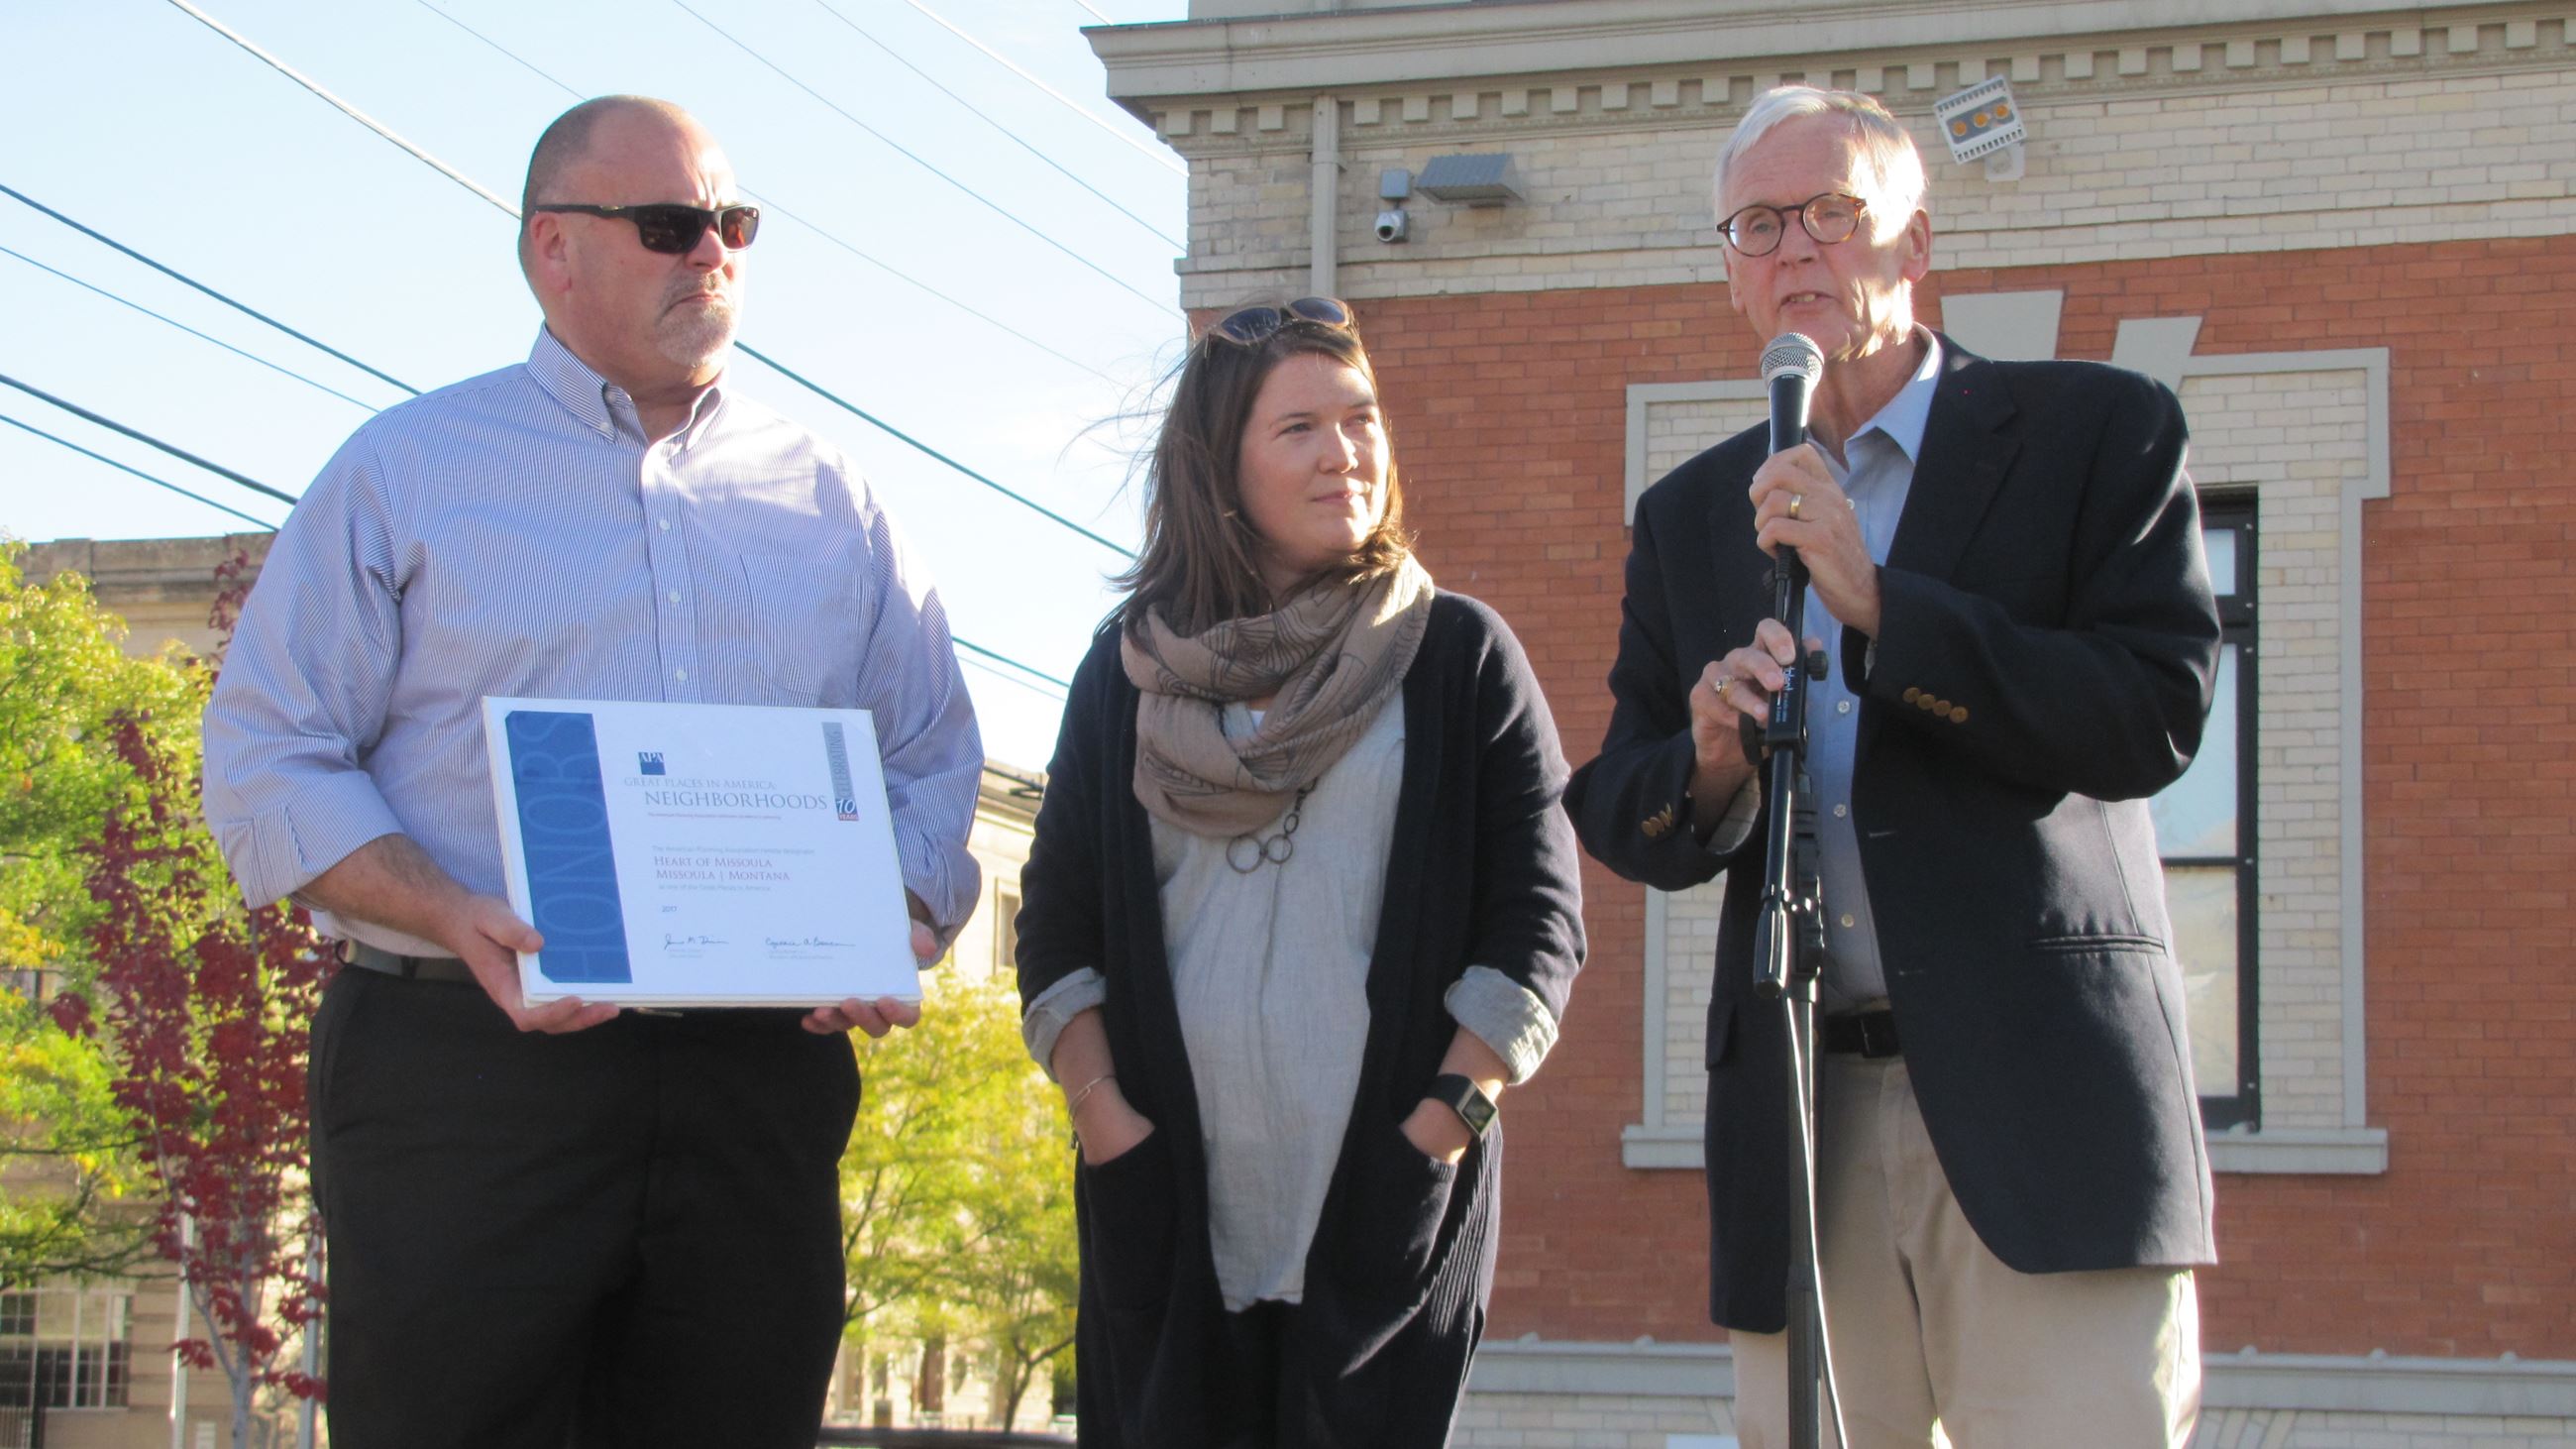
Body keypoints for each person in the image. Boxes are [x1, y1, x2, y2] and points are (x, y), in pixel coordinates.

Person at [200, 95, 981, 1448]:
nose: (715, 258)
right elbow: (270, 750)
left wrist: (897, 912)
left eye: (735, 225)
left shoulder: (834, 492)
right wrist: (455, 912)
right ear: (554, 250)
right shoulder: (406, 471)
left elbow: (926, 752)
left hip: (758, 1084)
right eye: (673, 227)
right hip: (468, 1070)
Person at [1564, 86, 2220, 1447]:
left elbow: (2153, 711)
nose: (1794, 247)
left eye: (1832, 214)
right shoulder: (1692, 512)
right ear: (1732, 274)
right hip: (1804, 1117)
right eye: (1758, 223)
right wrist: (1710, 753)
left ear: (1913, 246)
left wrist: (1884, 610)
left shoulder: (2098, 432)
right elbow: (1623, 804)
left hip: (2044, 1118)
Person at [1014, 295, 1585, 1447]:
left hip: (1384, 1200)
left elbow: (1536, 923)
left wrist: (1440, 1124)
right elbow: (1057, 920)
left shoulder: (1457, 656)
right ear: (1218, 466)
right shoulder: (1124, 677)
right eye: (1300, 429)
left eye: (1362, 418)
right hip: (1165, 1200)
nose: (1347, 453)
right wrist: (1102, 1116)